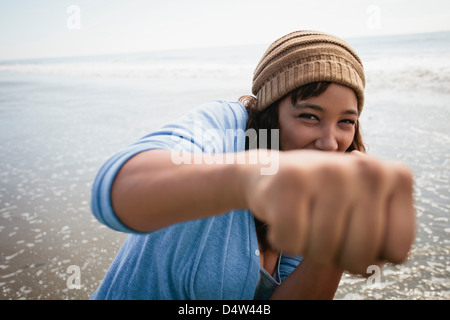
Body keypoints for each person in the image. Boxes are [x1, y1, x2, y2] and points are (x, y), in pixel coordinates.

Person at [90, 30, 416, 300]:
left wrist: (333, 247)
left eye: (346, 121)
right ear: (271, 113)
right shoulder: (226, 127)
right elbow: (113, 191)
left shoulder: (325, 189)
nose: (330, 142)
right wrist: (252, 180)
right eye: (309, 116)